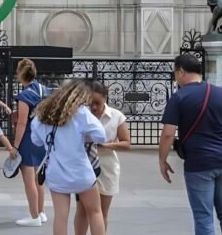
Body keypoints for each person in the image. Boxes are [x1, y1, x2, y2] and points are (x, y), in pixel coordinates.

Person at [159, 54, 222, 235]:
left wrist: (162, 160)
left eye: (175, 72)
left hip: (199, 163)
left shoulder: (179, 97)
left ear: (180, 71)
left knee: (203, 216)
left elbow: (167, 134)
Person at [31, 79, 107, 235]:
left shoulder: (41, 115)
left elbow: (36, 141)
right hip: (81, 172)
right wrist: (85, 136)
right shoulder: (81, 114)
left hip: (56, 174)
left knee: (60, 217)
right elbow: (101, 136)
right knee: (94, 212)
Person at [74, 81, 131, 234]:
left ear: (105, 98)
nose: (94, 108)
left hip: (107, 166)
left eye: (97, 103)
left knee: (102, 211)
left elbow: (126, 143)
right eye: (90, 103)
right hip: (85, 165)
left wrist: (107, 145)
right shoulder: (81, 115)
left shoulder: (116, 116)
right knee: (82, 210)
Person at [10, 59, 49, 227]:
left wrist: (15, 147)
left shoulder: (25, 95)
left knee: (29, 179)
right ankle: (40, 212)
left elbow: (22, 123)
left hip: (28, 140)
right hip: (43, 139)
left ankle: (33, 217)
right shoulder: (44, 90)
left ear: (20, 74)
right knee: (39, 179)